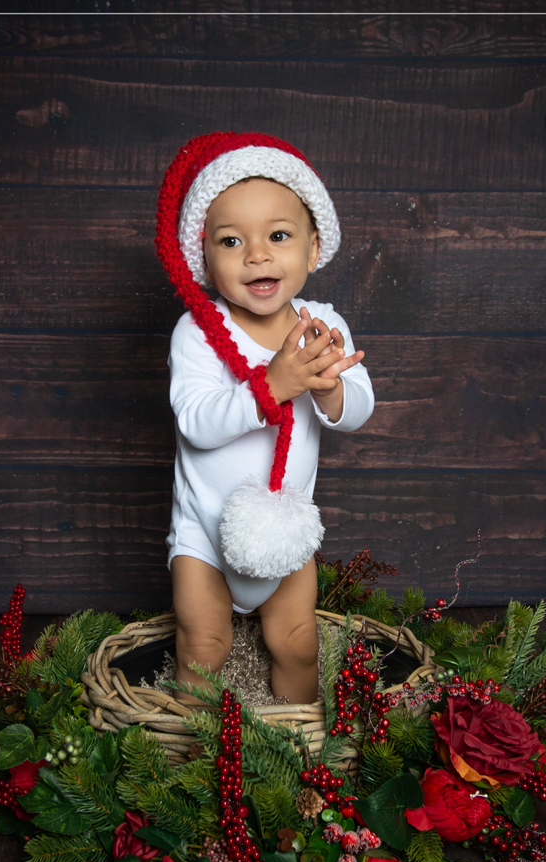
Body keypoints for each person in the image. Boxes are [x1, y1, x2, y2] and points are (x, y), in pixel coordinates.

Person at [155, 132, 374, 704]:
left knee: (296, 642)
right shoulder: (199, 332)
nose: (257, 254)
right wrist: (272, 387)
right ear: (204, 258)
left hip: (283, 529)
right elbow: (196, 424)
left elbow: (357, 411)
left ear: (312, 247)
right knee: (203, 644)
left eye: (278, 235)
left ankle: (297, 745)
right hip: (204, 530)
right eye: (232, 241)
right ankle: (196, 752)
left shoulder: (322, 325)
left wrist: (328, 392)